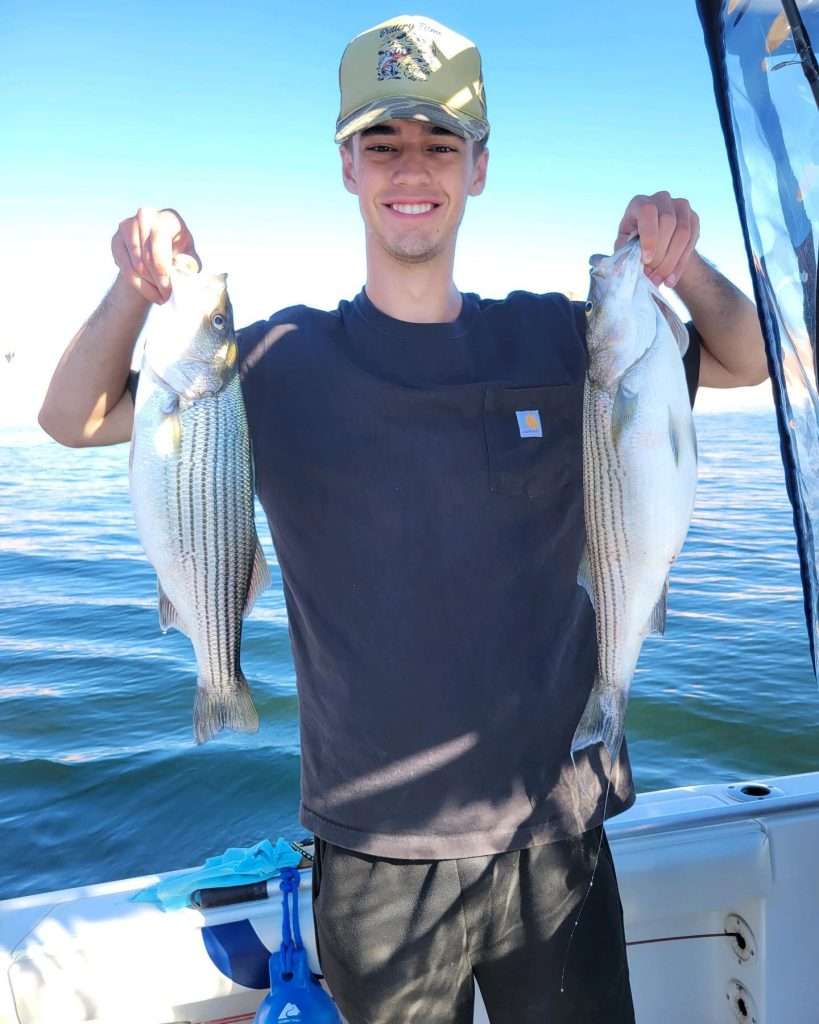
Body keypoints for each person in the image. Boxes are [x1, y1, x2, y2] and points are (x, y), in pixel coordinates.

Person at [39, 14, 768, 1024]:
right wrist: (134, 287)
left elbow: (746, 357)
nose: (410, 169)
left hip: (557, 830)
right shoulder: (279, 361)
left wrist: (682, 268)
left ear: (479, 165)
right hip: (372, 850)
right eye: (383, 145)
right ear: (347, 166)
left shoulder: (560, 337)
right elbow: (69, 419)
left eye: (439, 143)